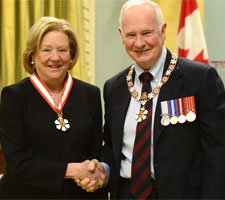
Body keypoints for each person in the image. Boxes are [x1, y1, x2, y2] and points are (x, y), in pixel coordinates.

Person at [101, 0, 225, 199]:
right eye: (131, 35)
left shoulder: (199, 79)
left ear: (163, 30)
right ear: (121, 35)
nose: (139, 43)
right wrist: (100, 170)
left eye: (147, 33)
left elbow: (218, 152)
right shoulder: (114, 87)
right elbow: (111, 146)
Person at [0, 16, 107, 199]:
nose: (55, 58)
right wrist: (72, 170)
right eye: (46, 50)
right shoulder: (14, 96)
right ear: (33, 55)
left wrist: (95, 173)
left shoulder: (90, 94)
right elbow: (18, 163)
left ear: (71, 55)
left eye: (62, 50)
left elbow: (95, 152)